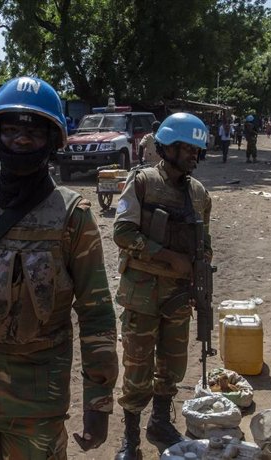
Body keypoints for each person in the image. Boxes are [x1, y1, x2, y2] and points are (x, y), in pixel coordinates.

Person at [0, 76, 119, 458]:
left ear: (52, 142)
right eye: (11, 129)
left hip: (38, 404)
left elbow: (96, 315)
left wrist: (98, 404)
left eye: (33, 132)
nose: (21, 140)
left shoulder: (72, 216)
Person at [112, 112, 212, 460]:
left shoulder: (199, 194)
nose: (194, 156)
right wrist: (167, 256)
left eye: (198, 150)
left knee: (172, 365)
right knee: (137, 368)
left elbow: (205, 245)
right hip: (142, 293)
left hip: (179, 296)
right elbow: (122, 233)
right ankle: (131, 439)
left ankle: (159, 421)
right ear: (168, 146)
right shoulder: (141, 182)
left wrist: (200, 281)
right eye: (188, 148)